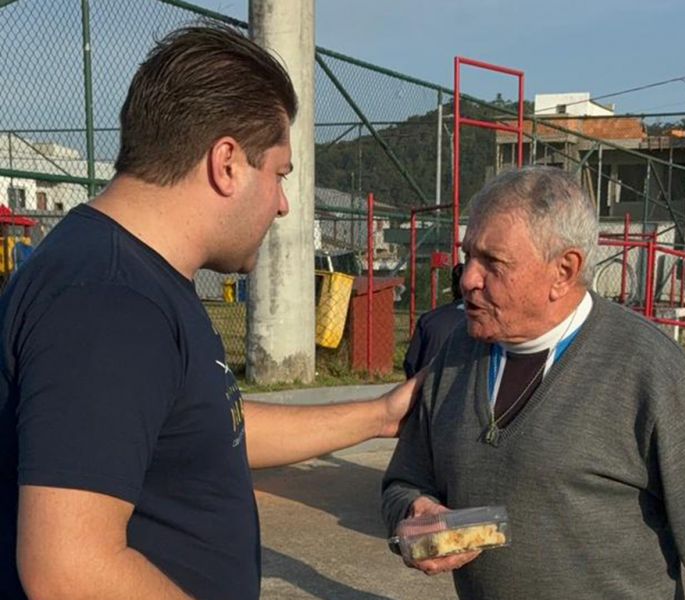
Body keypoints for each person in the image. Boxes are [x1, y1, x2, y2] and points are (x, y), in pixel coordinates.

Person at [0, 25, 421, 600]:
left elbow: (206, 428)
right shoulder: (110, 300)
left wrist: (379, 415)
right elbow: (69, 570)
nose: (282, 203)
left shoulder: (135, 278)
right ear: (227, 163)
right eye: (279, 173)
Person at [382, 166, 685, 599]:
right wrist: (412, 510)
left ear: (564, 270)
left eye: (493, 263)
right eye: (468, 257)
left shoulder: (650, 372)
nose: (467, 280)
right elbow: (403, 481)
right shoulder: (457, 354)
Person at [403, 263, 465, 378]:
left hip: (428, 389)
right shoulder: (490, 324)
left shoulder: (428, 319)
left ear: (452, 287)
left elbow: (411, 363)